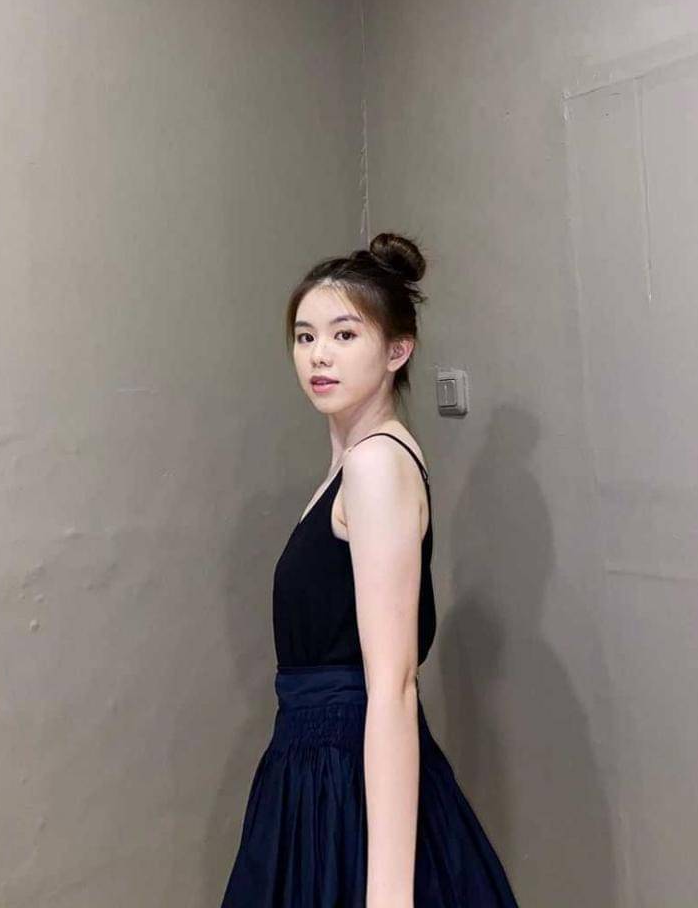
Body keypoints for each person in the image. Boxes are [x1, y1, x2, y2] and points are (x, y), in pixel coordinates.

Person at [219, 232, 520, 908]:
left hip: (347, 784)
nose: (319, 355)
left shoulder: (376, 463)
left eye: (344, 334)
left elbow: (393, 685)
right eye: (304, 337)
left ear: (396, 350)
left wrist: (387, 895)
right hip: (313, 777)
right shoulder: (354, 464)